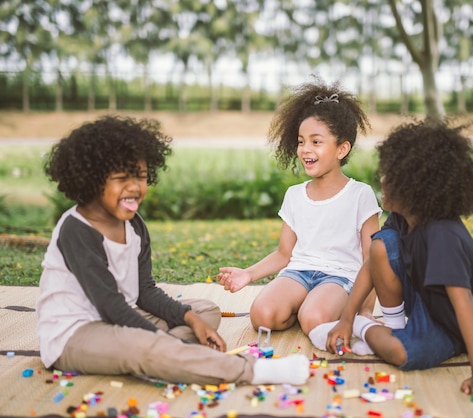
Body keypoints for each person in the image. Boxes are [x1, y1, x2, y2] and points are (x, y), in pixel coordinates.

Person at [36, 115, 309, 386]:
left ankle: (165, 356)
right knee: (148, 344)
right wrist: (163, 339)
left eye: (141, 177)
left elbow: (144, 291)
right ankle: (248, 370)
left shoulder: (134, 224)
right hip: (75, 334)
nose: (134, 187)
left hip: (119, 318)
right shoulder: (78, 230)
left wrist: (190, 319)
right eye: (121, 178)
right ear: (92, 180)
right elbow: (111, 308)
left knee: (204, 312)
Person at [313, 117, 473, 401]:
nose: (383, 180)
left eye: (393, 175)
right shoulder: (404, 218)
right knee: (380, 244)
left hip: (450, 324)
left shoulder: (442, 234)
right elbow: (372, 263)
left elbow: (462, 302)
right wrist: (345, 317)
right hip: (424, 296)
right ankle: (390, 327)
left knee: (402, 353)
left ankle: (366, 328)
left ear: (417, 187)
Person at [217, 77, 381, 339]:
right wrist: (248, 274)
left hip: (340, 278)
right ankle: (303, 305)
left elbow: (372, 259)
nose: (305, 149)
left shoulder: (360, 194)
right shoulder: (294, 195)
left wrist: (366, 311)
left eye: (316, 142)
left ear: (342, 149)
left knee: (313, 318)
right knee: (263, 316)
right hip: (298, 273)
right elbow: (284, 254)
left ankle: (315, 309)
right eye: (301, 141)